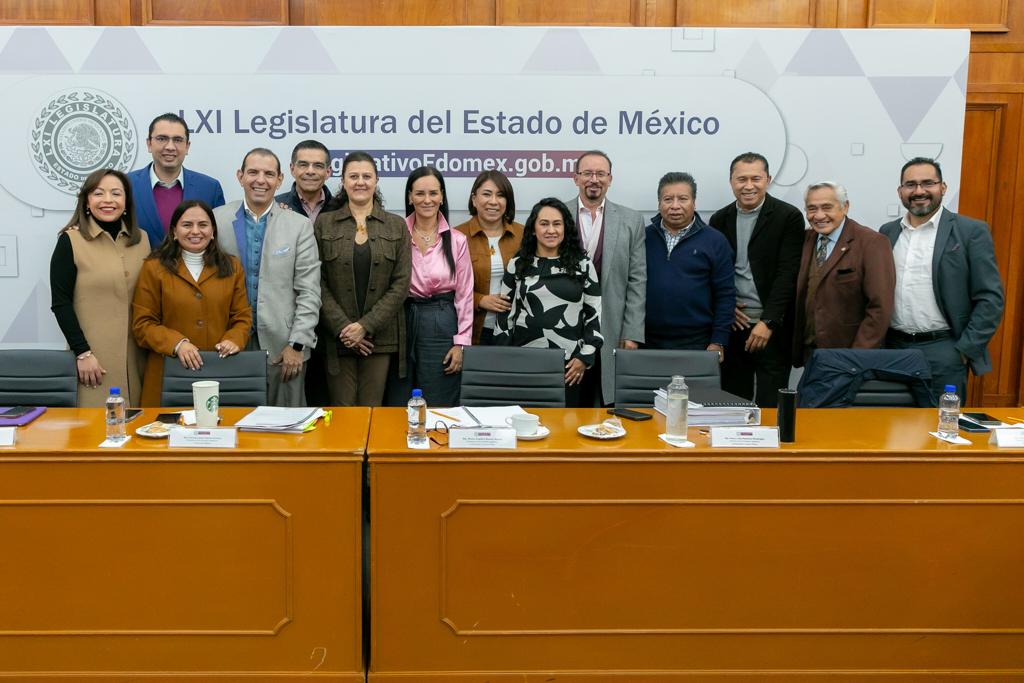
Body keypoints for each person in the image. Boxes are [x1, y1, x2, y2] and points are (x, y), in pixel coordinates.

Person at [879, 158, 1004, 399]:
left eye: (928, 183)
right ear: (900, 191)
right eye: (910, 185)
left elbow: (991, 298)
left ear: (943, 187)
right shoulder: (887, 232)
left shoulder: (970, 231)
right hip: (893, 349)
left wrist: (964, 350)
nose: (919, 191)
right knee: (891, 428)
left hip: (944, 350)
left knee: (941, 430)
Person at [214, 148, 321, 407]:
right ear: (240, 176)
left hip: (283, 349)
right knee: (233, 428)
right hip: (228, 345)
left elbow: (309, 291)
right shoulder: (217, 220)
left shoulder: (298, 226)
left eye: (268, 174)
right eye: (253, 172)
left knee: (286, 433)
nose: (260, 180)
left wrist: (297, 344)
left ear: (280, 179)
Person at [131, 201, 252, 406]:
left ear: (213, 231)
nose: (195, 231)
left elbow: (242, 317)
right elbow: (143, 324)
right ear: (174, 232)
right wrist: (177, 344)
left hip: (219, 370)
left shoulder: (232, 267)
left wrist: (234, 339)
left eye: (203, 225)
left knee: (217, 431)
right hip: (167, 372)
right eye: (187, 225)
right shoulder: (153, 267)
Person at [315, 151, 411, 406]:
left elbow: (401, 284)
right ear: (343, 181)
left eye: (366, 176)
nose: (360, 182)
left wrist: (365, 326)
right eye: (353, 176)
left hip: (379, 339)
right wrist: (345, 329)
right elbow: (316, 281)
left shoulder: (396, 225)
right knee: (343, 415)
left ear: (376, 180)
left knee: (372, 412)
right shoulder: (324, 224)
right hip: (338, 338)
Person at [709, 152, 804, 406]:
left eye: (756, 179)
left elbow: (788, 274)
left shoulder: (788, 216)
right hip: (733, 326)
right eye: (741, 179)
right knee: (732, 401)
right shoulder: (719, 219)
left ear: (768, 180)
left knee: (771, 404)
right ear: (731, 181)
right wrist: (727, 309)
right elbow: (714, 275)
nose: (748, 186)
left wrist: (768, 321)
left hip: (773, 329)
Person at [49, 169, 151, 407]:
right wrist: (82, 353)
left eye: (116, 193)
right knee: (98, 433)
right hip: (94, 362)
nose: (108, 200)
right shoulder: (70, 241)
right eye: (98, 193)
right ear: (86, 201)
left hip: (140, 359)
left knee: (141, 433)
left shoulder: (142, 240)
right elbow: (60, 303)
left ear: (126, 202)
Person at [494, 198, 602, 407]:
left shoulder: (583, 265)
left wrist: (584, 358)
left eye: (557, 224)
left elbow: (594, 316)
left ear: (565, 228)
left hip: (569, 365)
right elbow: (505, 316)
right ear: (533, 229)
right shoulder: (518, 265)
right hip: (523, 361)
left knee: (564, 428)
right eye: (544, 224)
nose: (550, 230)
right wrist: (506, 358)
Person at [385, 166, 472, 407]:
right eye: (420, 193)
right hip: (401, 321)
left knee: (439, 395)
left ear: (442, 196)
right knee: (399, 396)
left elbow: (464, 295)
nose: (427, 200)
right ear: (410, 197)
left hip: (441, 322)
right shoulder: (395, 233)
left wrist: (461, 343)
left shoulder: (456, 240)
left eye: (433, 193)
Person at [566, 150, 645, 406]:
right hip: (564, 328)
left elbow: (637, 280)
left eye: (601, 173)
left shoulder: (631, 220)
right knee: (567, 401)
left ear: (610, 179)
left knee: (604, 402)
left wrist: (632, 332)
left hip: (611, 326)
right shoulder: (556, 215)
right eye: (587, 173)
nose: (594, 179)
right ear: (575, 177)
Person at [792, 181, 896, 366]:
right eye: (812, 209)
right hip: (811, 354)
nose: (819, 215)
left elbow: (879, 308)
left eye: (826, 207)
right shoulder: (804, 240)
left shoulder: (871, 243)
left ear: (845, 207)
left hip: (850, 356)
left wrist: (857, 356)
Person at [644, 172, 735, 357]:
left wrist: (718, 340)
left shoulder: (715, 241)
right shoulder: (643, 238)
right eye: (668, 199)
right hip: (647, 340)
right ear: (659, 203)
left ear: (694, 202)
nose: (675, 206)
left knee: (692, 388)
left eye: (683, 199)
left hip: (697, 341)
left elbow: (725, 294)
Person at [275, 139, 334, 407]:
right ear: (291, 168)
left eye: (318, 165)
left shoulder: (343, 208)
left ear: (328, 171)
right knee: (292, 402)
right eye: (303, 164)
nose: (310, 170)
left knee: (327, 400)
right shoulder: (275, 208)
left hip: (333, 322)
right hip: (289, 321)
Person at [127, 113, 225, 248]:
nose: (170, 147)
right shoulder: (126, 185)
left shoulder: (210, 188)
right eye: (162, 139)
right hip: (141, 269)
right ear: (149, 144)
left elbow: (216, 242)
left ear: (187, 146)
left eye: (178, 140)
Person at [454, 171, 524, 345]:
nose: (493, 201)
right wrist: (480, 299)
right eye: (486, 194)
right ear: (474, 199)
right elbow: (445, 287)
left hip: (516, 330)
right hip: (475, 330)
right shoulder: (456, 236)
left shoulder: (524, 235)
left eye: (500, 195)